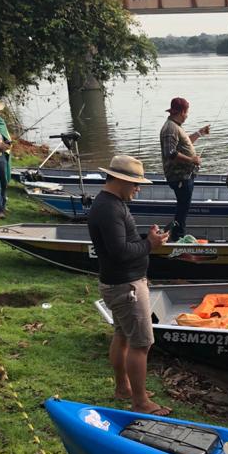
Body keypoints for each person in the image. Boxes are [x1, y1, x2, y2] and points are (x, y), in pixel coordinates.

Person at [87, 155, 171, 415]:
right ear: (121, 180)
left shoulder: (109, 204)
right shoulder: (109, 208)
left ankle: (124, 388)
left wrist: (148, 240)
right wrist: (150, 244)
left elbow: (119, 245)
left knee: (122, 335)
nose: (138, 188)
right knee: (141, 343)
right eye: (135, 183)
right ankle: (140, 402)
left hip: (119, 283)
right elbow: (120, 251)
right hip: (127, 287)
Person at [160, 96, 210, 241]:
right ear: (182, 112)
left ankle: (177, 235)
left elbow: (184, 144)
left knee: (183, 206)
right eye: (187, 112)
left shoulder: (175, 126)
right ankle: (177, 237)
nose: (187, 115)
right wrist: (192, 160)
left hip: (185, 175)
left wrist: (200, 133)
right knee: (182, 208)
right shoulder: (170, 128)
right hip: (179, 177)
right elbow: (170, 153)